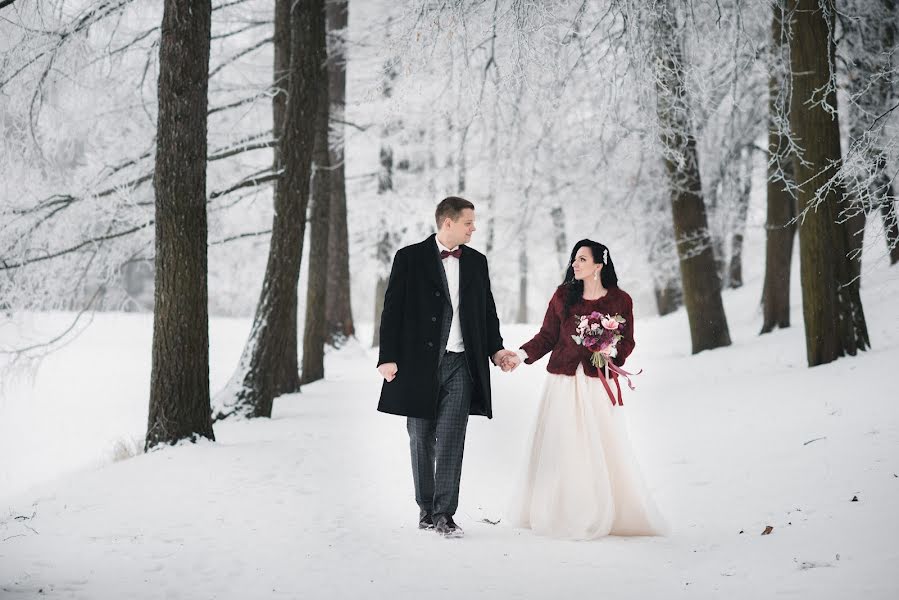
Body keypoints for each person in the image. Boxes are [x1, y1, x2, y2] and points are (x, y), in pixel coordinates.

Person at [376, 196, 518, 538]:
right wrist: (387, 357)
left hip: (461, 365)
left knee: (452, 438)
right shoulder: (409, 258)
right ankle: (426, 508)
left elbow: (487, 313)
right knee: (420, 437)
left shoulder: (477, 262)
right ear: (448, 222)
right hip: (417, 365)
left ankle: (445, 514)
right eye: (469, 222)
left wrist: (497, 352)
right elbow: (392, 310)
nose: (474, 228)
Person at [508, 239, 667, 539]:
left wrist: (611, 351)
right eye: (573, 259)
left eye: (582, 259)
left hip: (597, 383)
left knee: (598, 446)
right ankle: (560, 510)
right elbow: (546, 336)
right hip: (564, 384)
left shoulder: (621, 301)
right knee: (563, 444)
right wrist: (520, 355)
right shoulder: (563, 296)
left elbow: (627, 340)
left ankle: (600, 510)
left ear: (599, 264)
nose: (575, 265)